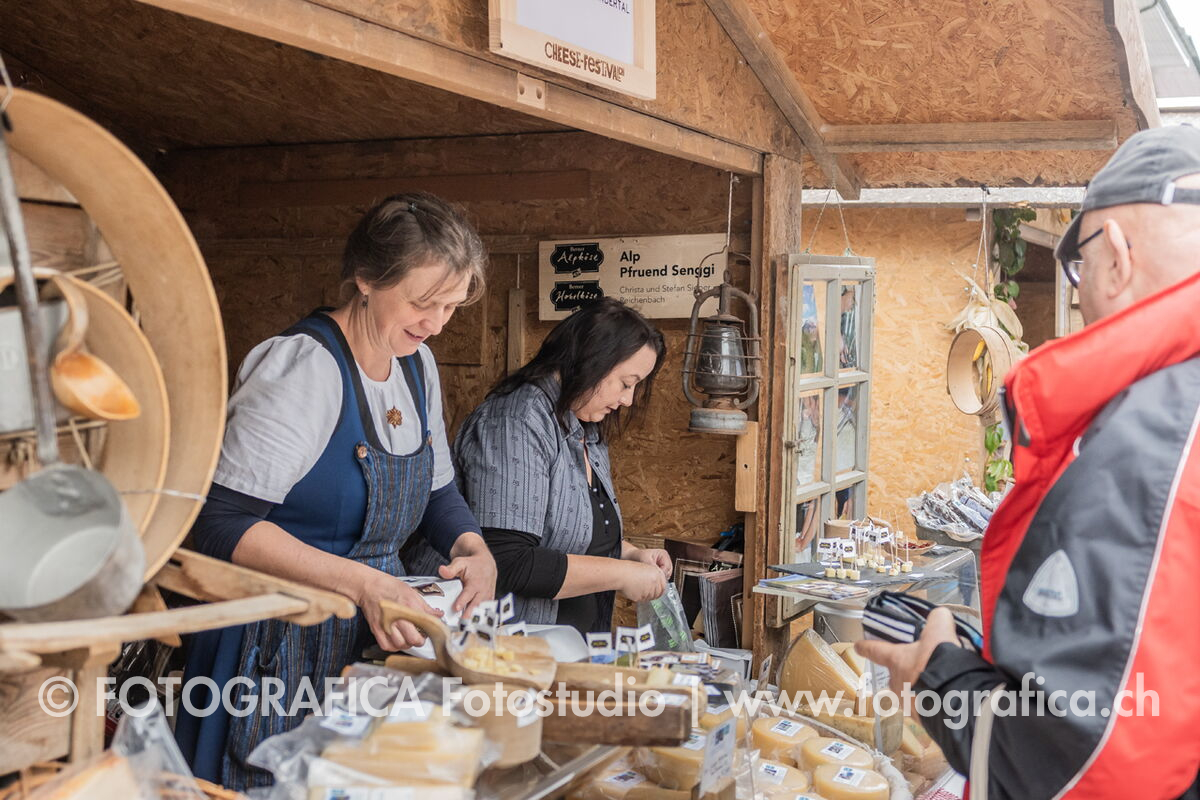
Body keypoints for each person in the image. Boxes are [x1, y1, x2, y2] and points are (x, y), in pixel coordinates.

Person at [857, 125, 1200, 800]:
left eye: (1077, 269)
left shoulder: (1161, 438)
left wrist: (940, 673)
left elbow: (1091, 762)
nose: (1080, 293)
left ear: (1115, 255)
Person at [175, 192, 498, 790]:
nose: (436, 324)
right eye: (422, 303)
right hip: (270, 649)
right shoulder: (304, 368)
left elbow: (436, 491)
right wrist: (364, 583)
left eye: (451, 307)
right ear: (367, 278)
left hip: (363, 646)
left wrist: (473, 547)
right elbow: (218, 522)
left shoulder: (417, 364)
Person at [407, 297, 672, 632]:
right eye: (626, 383)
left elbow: (567, 534)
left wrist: (630, 555)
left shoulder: (584, 427)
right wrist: (623, 575)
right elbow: (508, 560)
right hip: (493, 640)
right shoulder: (517, 420)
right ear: (594, 361)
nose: (628, 400)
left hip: (562, 643)